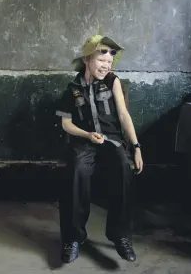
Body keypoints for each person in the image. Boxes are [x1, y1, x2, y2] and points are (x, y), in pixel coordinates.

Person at [55, 35, 144, 263]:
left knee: (124, 167)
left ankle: (120, 235)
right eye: (102, 61)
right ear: (87, 59)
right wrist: (87, 135)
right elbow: (66, 124)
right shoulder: (72, 89)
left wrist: (136, 147)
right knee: (76, 170)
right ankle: (73, 238)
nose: (106, 66)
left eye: (109, 63)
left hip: (112, 142)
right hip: (84, 143)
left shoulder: (113, 81)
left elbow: (124, 115)